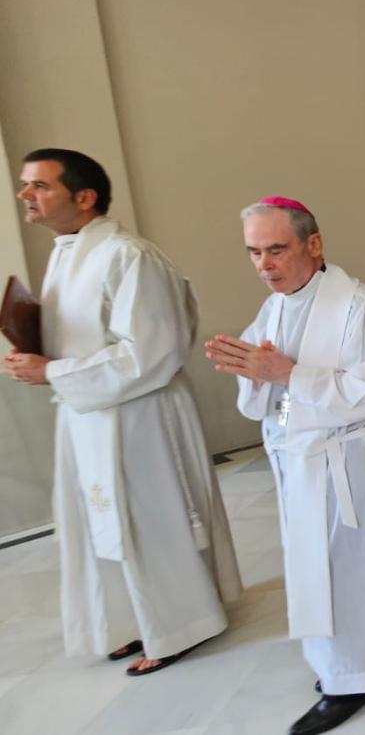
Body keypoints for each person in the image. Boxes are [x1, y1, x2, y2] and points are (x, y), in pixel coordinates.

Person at [4, 148, 240, 676]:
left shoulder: (130, 255)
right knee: (102, 523)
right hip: (90, 412)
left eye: (40, 186)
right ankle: (136, 618)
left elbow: (152, 351)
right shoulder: (67, 252)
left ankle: (181, 624)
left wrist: (53, 372)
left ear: (84, 198)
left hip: (139, 415)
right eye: (26, 185)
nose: (26, 195)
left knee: (149, 522)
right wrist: (34, 355)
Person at [206, 196, 365, 734]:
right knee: (324, 568)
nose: (264, 265)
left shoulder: (359, 306)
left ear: (314, 244)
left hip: (348, 462)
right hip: (303, 460)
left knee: (349, 569)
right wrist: (258, 377)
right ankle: (353, 660)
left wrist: (285, 373)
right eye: (254, 253)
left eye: (276, 249)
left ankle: (357, 677)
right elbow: (277, 396)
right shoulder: (276, 306)